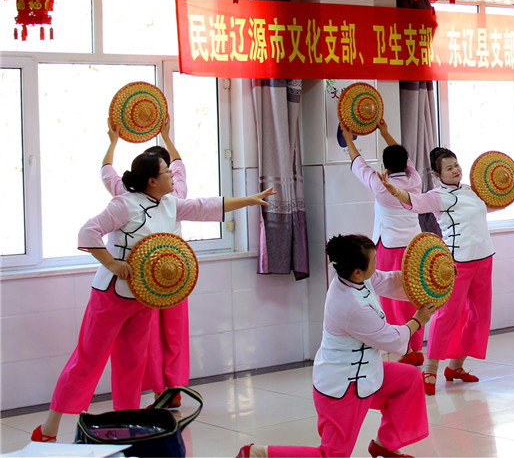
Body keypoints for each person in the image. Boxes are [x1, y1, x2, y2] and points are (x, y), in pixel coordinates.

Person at [33, 153, 275, 443]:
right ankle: (48, 428)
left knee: (132, 364)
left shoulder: (170, 203)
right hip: (110, 296)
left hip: (144, 297)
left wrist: (249, 200)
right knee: (87, 361)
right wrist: (111, 263)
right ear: (151, 181)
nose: (172, 176)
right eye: (166, 172)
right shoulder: (124, 204)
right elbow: (88, 231)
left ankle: (125, 426)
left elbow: (205, 206)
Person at [237, 235, 436, 458]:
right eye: (373, 261)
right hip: (343, 386)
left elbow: (390, 281)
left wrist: (434, 279)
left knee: (409, 379)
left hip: (366, 372)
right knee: (332, 455)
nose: (377, 264)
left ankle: (385, 445)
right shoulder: (351, 306)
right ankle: (257, 454)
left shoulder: (355, 277)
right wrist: (417, 320)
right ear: (357, 272)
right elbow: (392, 339)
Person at [380, 147, 514, 396]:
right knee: (447, 316)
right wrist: (393, 190)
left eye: (456, 165)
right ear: (437, 175)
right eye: (449, 168)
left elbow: (492, 205)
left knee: (479, 317)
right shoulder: (436, 196)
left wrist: (513, 182)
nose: (455, 170)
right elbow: (413, 202)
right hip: (456, 265)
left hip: (484, 259)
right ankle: (430, 370)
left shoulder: (471, 191)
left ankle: (455, 367)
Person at [102, 116, 190, 408]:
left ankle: (159, 393)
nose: (170, 174)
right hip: (176, 272)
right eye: (165, 170)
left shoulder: (127, 197)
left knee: (151, 338)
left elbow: (106, 172)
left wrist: (113, 142)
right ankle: (174, 391)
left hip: (145, 277)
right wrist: (167, 137)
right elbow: (180, 166)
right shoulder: (175, 194)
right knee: (175, 336)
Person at [342, 119, 426, 367]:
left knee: (392, 299)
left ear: (386, 167)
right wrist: (385, 132)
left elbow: (358, 163)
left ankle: (403, 349)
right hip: (415, 247)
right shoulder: (416, 181)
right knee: (415, 295)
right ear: (406, 163)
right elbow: (404, 158)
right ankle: (416, 348)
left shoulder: (381, 185)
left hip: (390, 248)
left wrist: (348, 138)